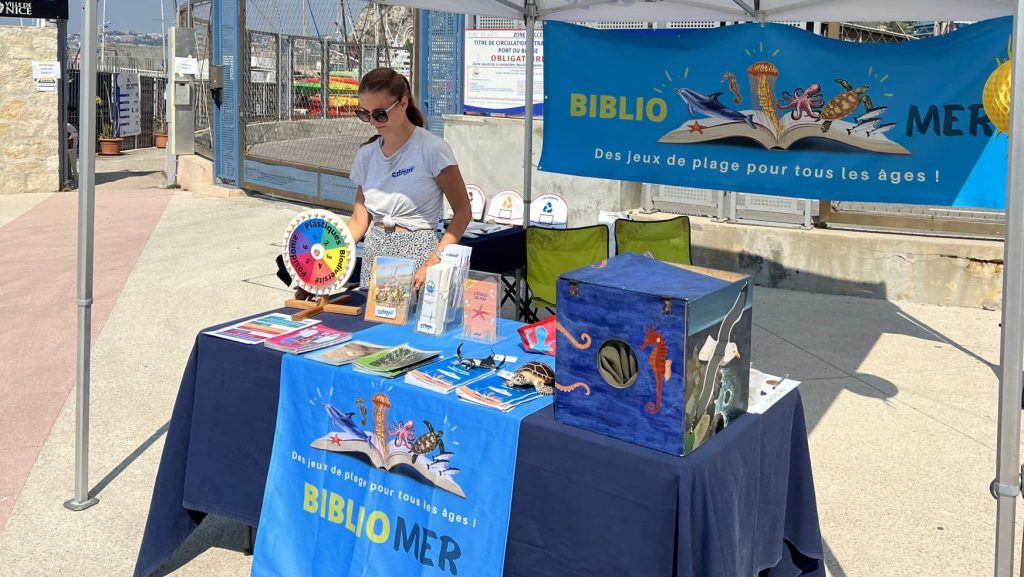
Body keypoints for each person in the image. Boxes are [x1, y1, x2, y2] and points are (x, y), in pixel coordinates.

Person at [347, 67, 472, 291]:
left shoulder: (433, 149)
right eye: (365, 114)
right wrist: (324, 268)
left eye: (380, 113)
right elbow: (358, 221)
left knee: (412, 323)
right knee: (373, 325)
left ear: (403, 103)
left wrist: (434, 260)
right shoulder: (366, 155)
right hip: (375, 253)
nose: (373, 122)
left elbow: (463, 212)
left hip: (420, 256)